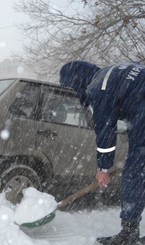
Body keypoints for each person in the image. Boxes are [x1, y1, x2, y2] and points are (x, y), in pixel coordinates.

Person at [59, 61, 145, 245]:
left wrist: (103, 167)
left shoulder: (98, 87)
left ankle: (129, 234)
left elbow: (106, 130)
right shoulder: (110, 72)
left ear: (76, 81)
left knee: (134, 173)